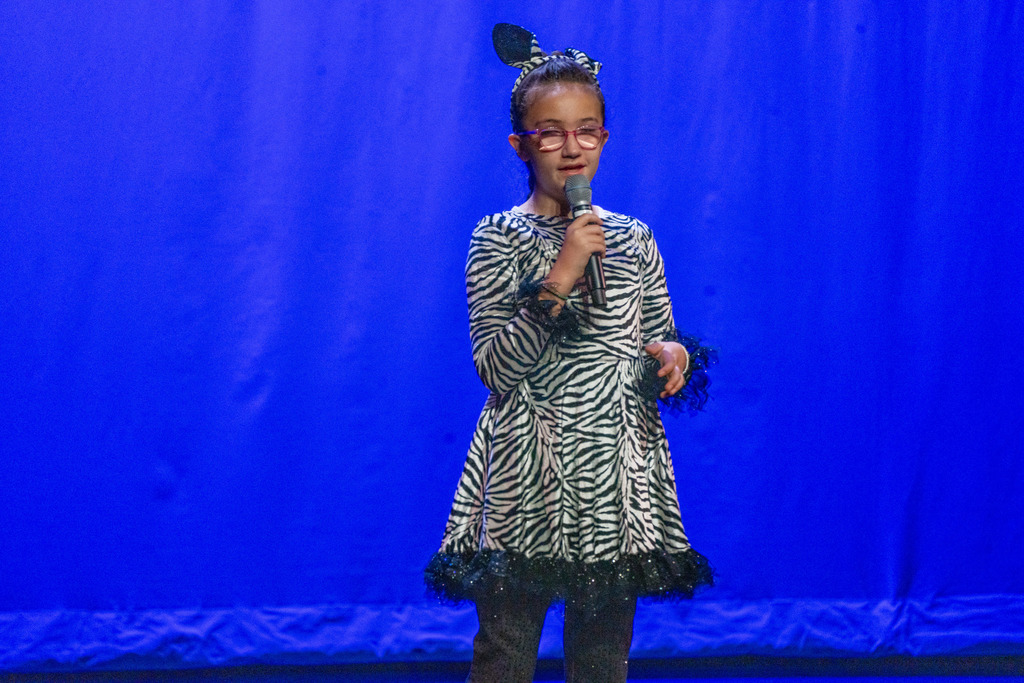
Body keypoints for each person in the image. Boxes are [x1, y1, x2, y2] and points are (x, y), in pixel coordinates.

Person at [425, 23, 715, 683]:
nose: (571, 147)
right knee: (506, 646)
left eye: (586, 130)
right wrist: (562, 271)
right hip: (530, 470)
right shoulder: (496, 237)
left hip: (615, 471)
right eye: (551, 132)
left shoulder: (635, 237)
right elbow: (496, 367)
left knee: (603, 654)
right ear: (521, 145)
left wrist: (671, 356)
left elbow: (658, 331)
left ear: (604, 139)